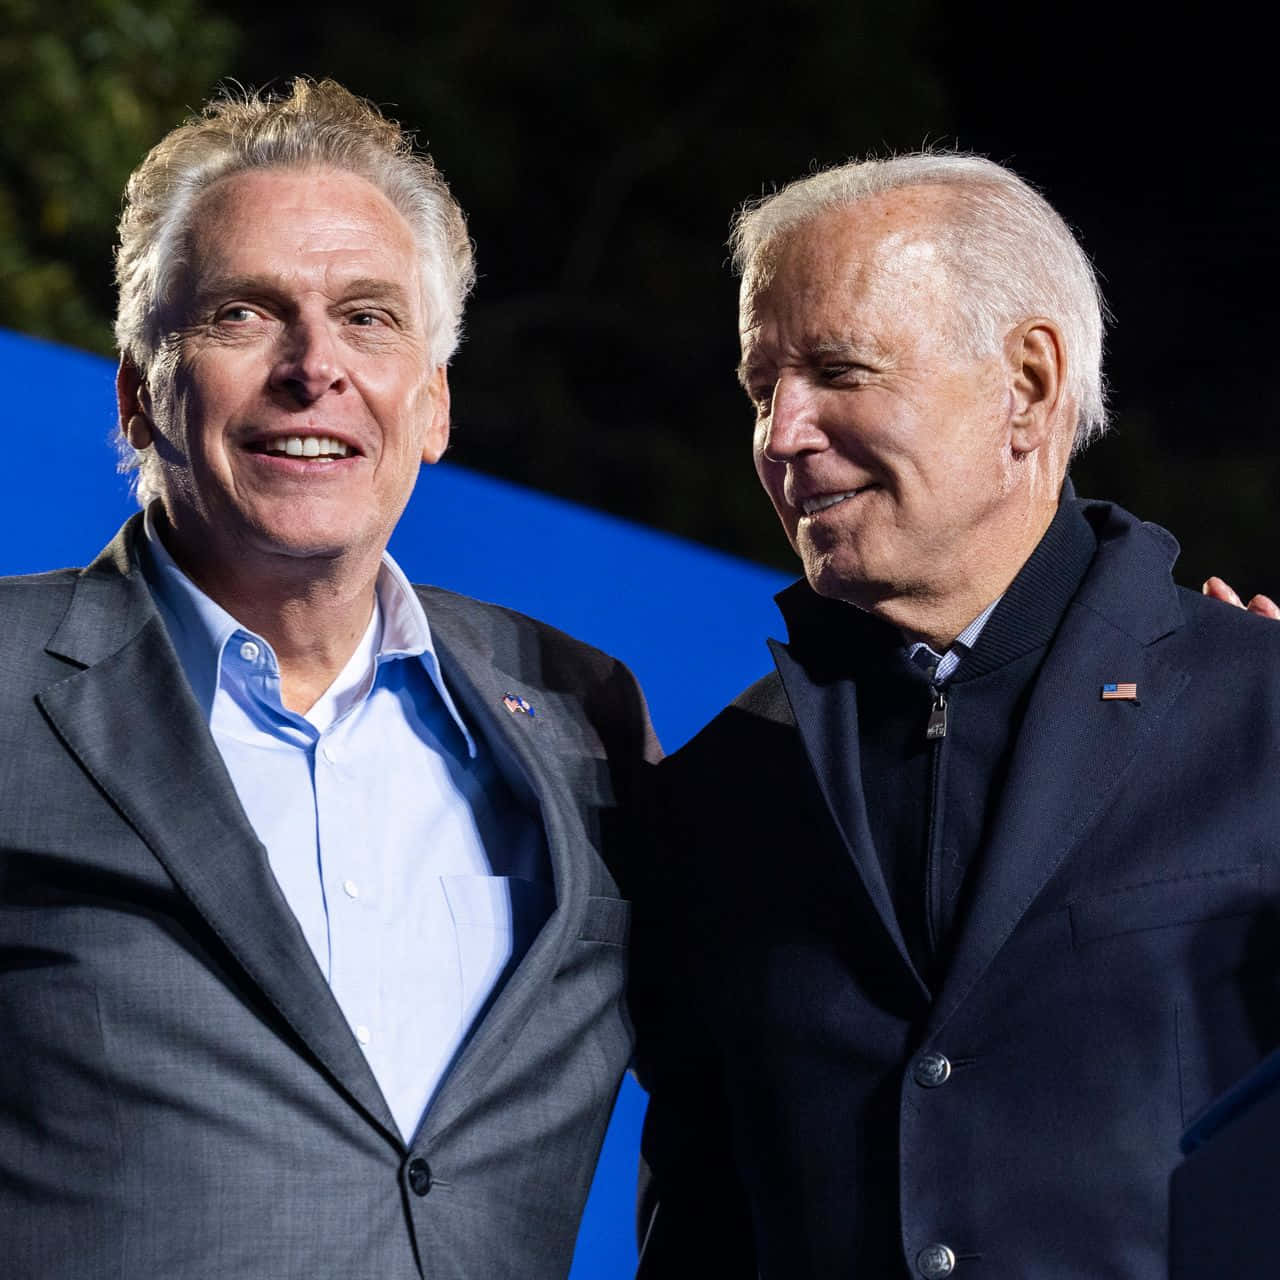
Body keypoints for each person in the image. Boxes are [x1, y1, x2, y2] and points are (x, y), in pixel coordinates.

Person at [0, 79, 657, 1280]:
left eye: (368, 318)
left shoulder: (578, 714)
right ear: (140, 392)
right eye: (246, 314)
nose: (316, 368)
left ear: (436, 402)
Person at [632, 153, 1280, 1278]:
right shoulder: (717, 791)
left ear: (1026, 384)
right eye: (759, 388)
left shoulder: (1260, 710)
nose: (781, 435)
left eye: (837, 369)